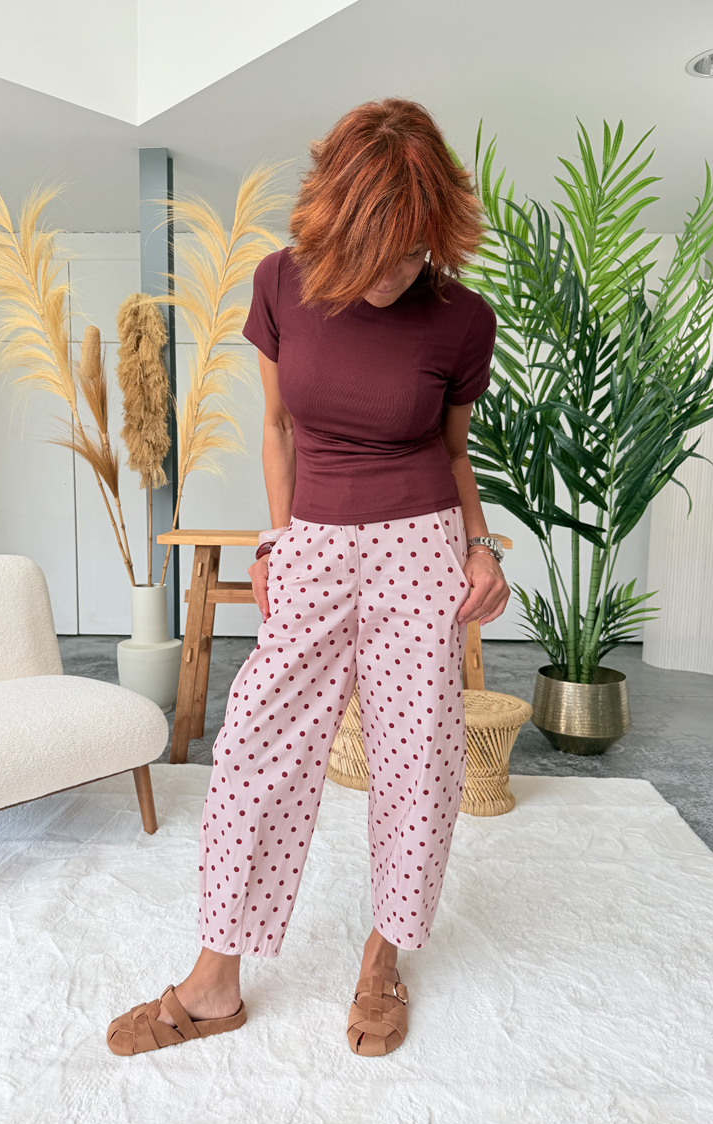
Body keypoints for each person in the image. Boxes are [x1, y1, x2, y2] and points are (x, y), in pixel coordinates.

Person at [106, 97, 510, 1059]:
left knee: (418, 761)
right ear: (338, 220)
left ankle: (383, 955)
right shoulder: (281, 283)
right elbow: (279, 428)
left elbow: (455, 454)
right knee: (256, 748)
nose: (397, 271)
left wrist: (482, 548)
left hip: (420, 545)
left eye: (414, 250)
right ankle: (214, 979)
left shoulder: (462, 319)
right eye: (379, 249)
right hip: (316, 544)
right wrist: (277, 539)